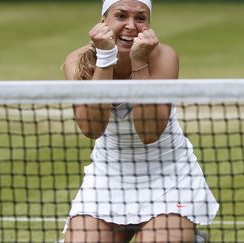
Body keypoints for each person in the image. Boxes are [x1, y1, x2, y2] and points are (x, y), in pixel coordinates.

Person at [61, 0, 219, 242]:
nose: (131, 26)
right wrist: (105, 57)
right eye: (121, 16)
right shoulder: (77, 60)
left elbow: (149, 132)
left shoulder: (164, 56)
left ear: (149, 25)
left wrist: (139, 62)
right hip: (107, 177)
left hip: (169, 176)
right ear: (104, 20)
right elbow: (92, 129)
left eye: (140, 18)